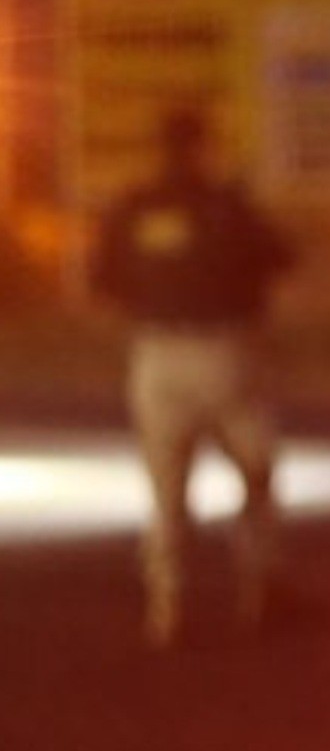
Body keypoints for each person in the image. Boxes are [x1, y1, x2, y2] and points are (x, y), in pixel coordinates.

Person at [90, 107, 296, 647]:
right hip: (224, 352)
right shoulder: (225, 204)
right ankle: (259, 583)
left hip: (157, 354)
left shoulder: (134, 207)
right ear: (204, 146)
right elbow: (282, 258)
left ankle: (167, 602)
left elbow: (102, 281)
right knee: (256, 471)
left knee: (168, 488)